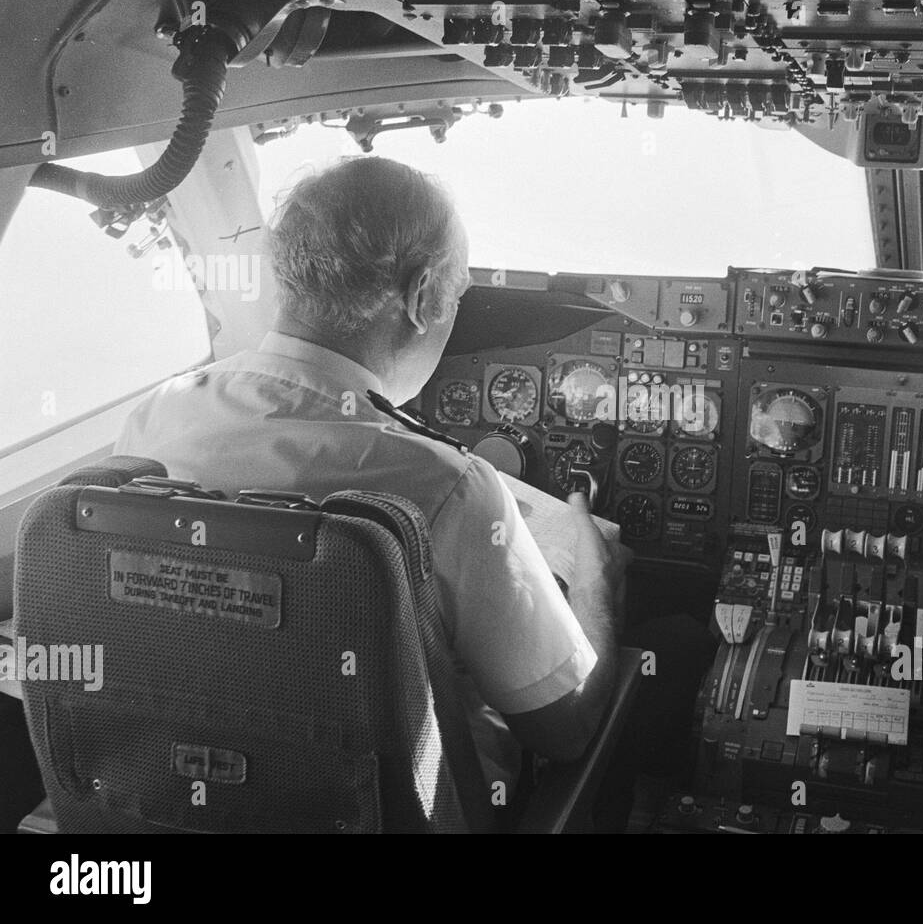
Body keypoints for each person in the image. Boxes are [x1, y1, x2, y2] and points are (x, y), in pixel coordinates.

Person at [115, 156, 626, 817]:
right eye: (457, 290)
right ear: (421, 297)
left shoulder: (154, 419)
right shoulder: (445, 487)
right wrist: (592, 574)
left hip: (174, 804)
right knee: (667, 644)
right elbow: (567, 726)